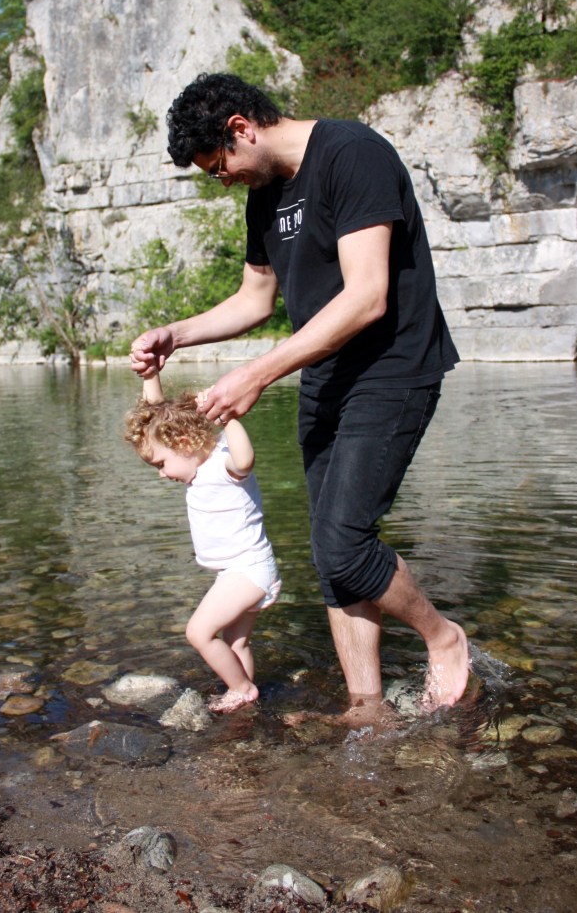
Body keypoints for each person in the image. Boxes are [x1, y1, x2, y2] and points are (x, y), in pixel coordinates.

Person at [130, 72, 470, 722]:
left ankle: (442, 636)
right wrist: (177, 333)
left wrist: (257, 374)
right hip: (325, 376)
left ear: (241, 129)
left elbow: (367, 296)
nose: (222, 181)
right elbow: (255, 299)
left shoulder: (352, 154)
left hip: (393, 367)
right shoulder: (264, 196)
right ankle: (365, 705)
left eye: (218, 166)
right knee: (330, 551)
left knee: (344, 543)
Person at [124, 367, 281, 714]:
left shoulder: (222, 464)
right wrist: (151, 374)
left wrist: (227, 417)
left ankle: (242, 690)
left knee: (198, 632)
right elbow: (155, 416)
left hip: (247, 571)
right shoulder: (194, 464)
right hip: (243, 570)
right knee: (235, 642)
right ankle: (245, 703)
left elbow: (245, 460)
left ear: (183, 443)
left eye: (161, 464)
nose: (162, 474)